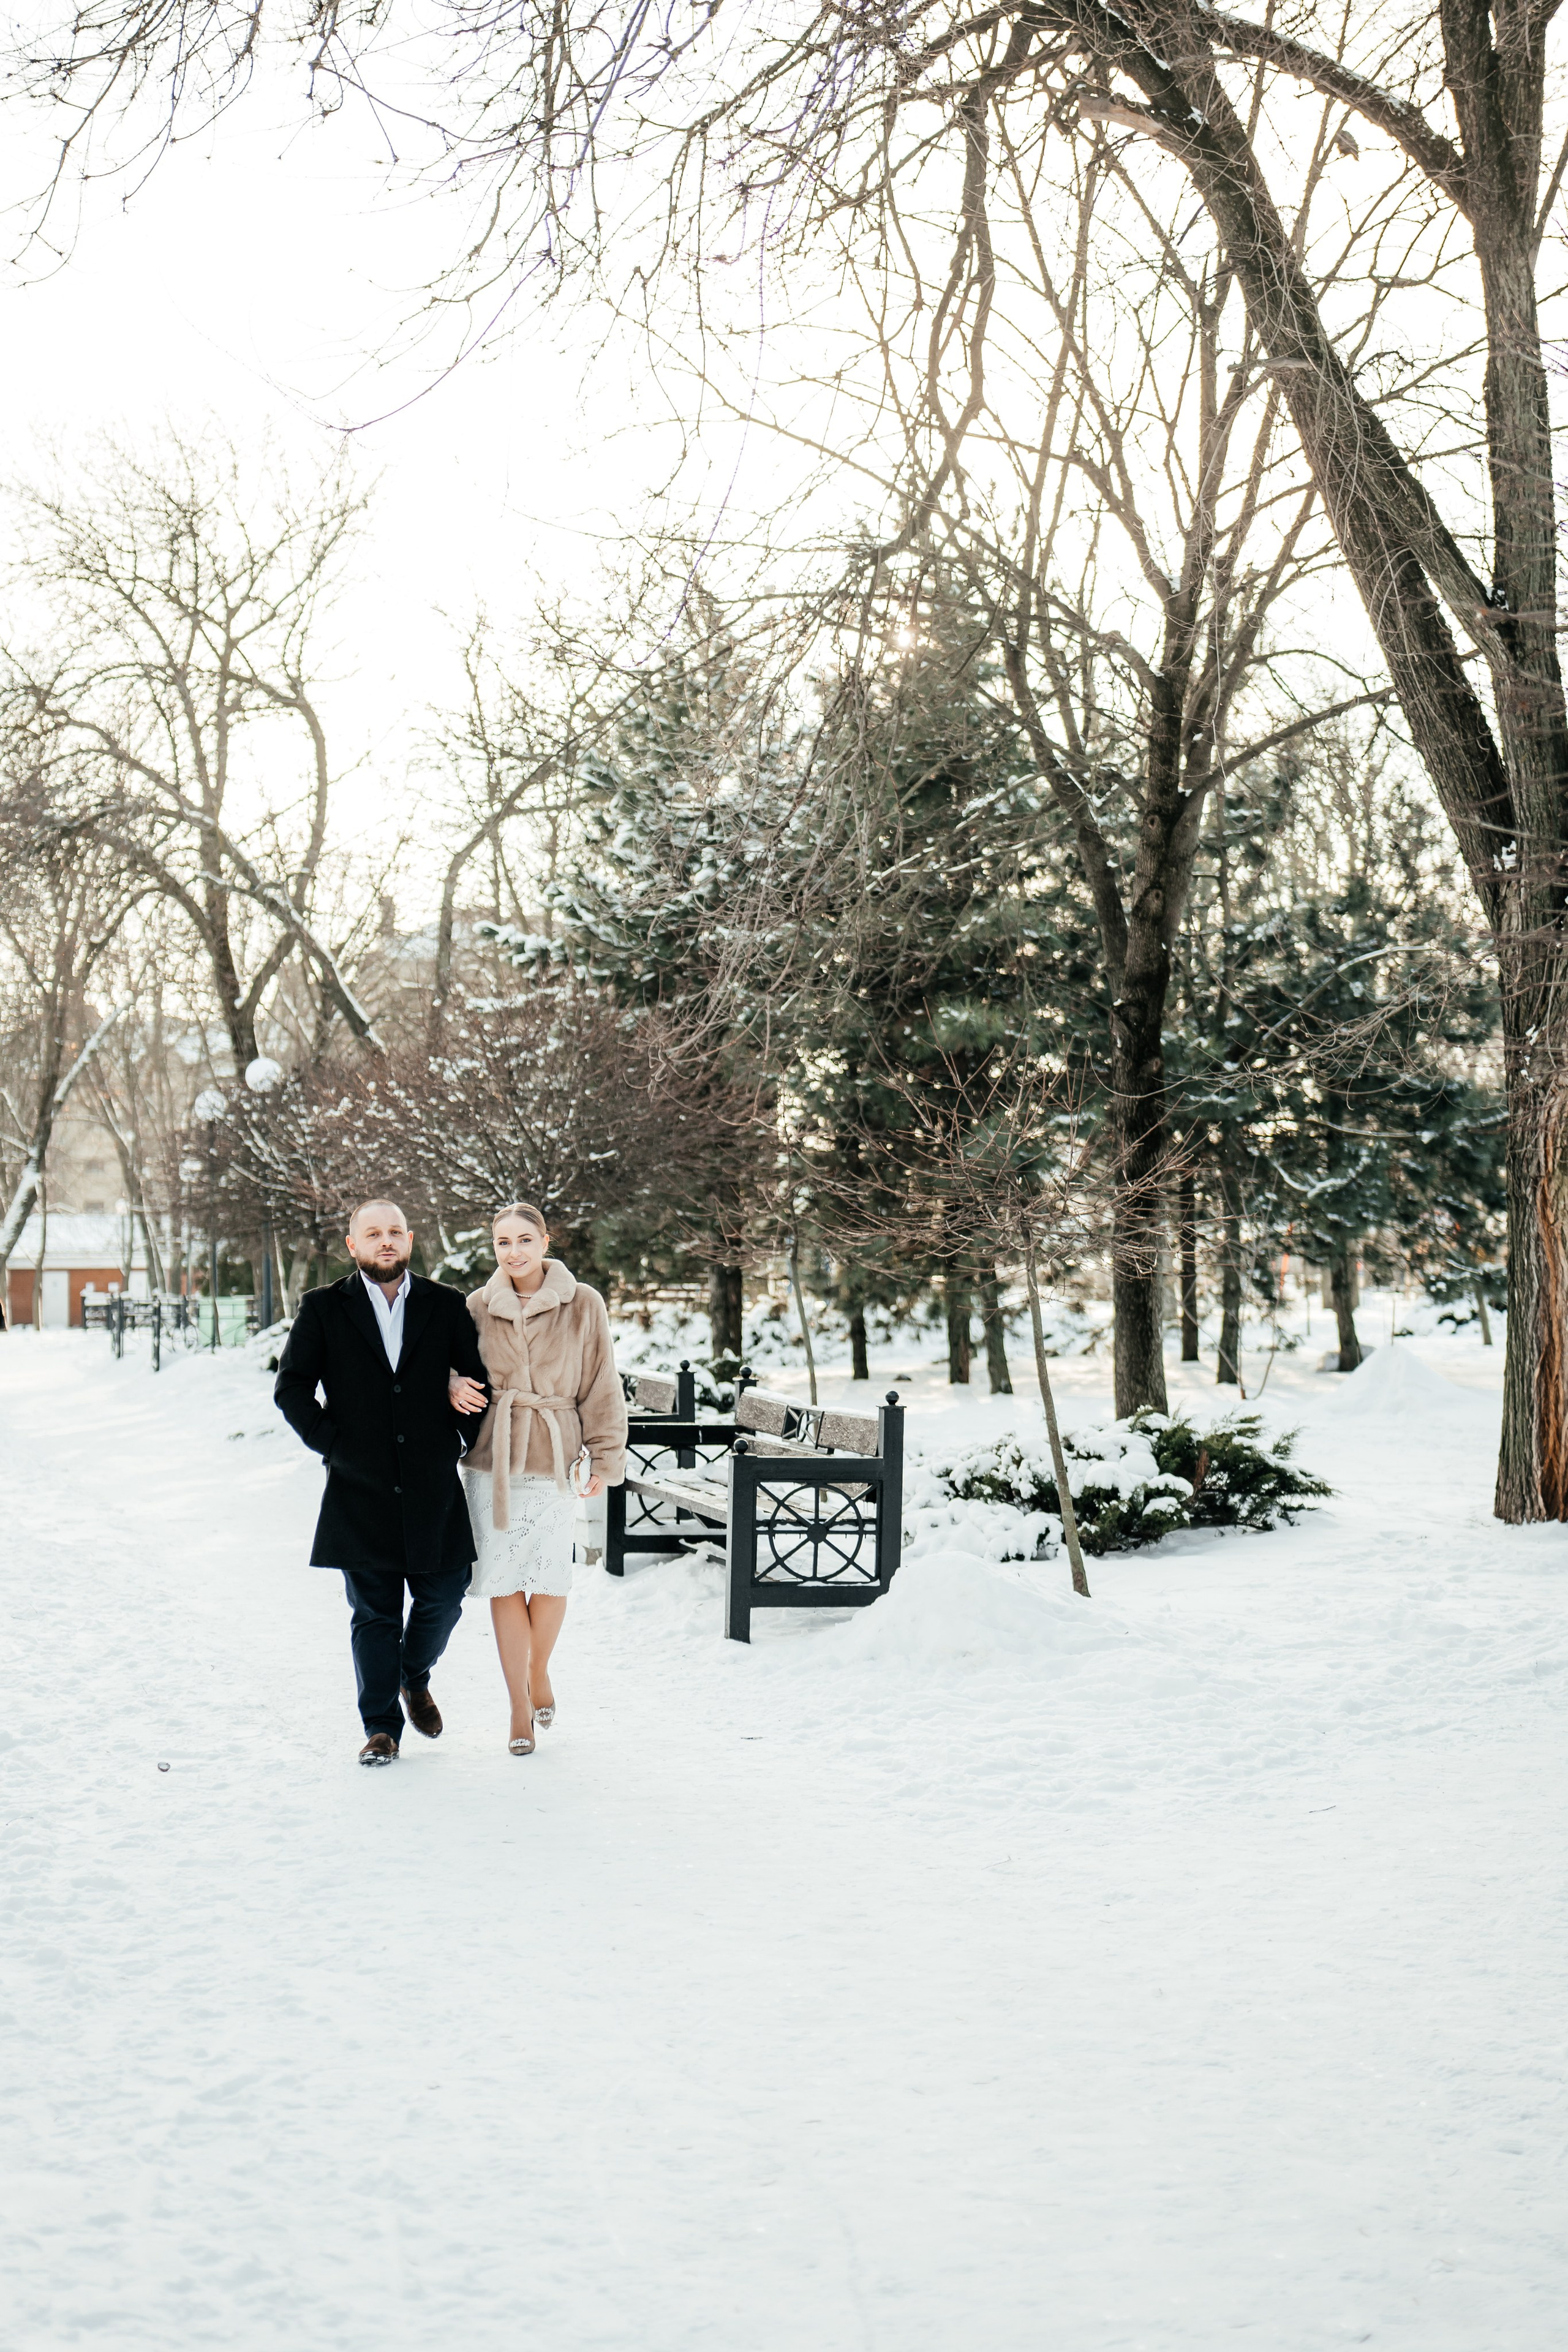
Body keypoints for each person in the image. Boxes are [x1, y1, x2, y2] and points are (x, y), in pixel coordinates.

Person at [274, 1198, 491, 1765]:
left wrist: (458, 1437)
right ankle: (381, 1729)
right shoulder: (323, 1308)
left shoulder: (446, 1304)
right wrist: (334, 1445)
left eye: (395, 1231)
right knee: (374, 1613)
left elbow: (477, 1382)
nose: (385, 1240)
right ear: (353, 1245)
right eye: (373, 1234)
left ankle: (412, 1675)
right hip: (358, 1487)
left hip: (431, 1484)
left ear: (410, 1240)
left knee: (445, 1595)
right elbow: (292, 1388)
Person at [463, 1202, 627, 1754]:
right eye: (503, 1242)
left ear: (545, 1241)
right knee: (503, 1581)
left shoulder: (584, 1303)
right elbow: (453, 1371)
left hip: (557, 1458)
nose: (514, 1252)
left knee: (552, 1580)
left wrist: (604, 1457)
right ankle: (518, 1705)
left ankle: (539, 1670)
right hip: (494, 1462)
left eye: (525, 1240)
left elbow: (602, 1383)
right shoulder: (476, 1306)